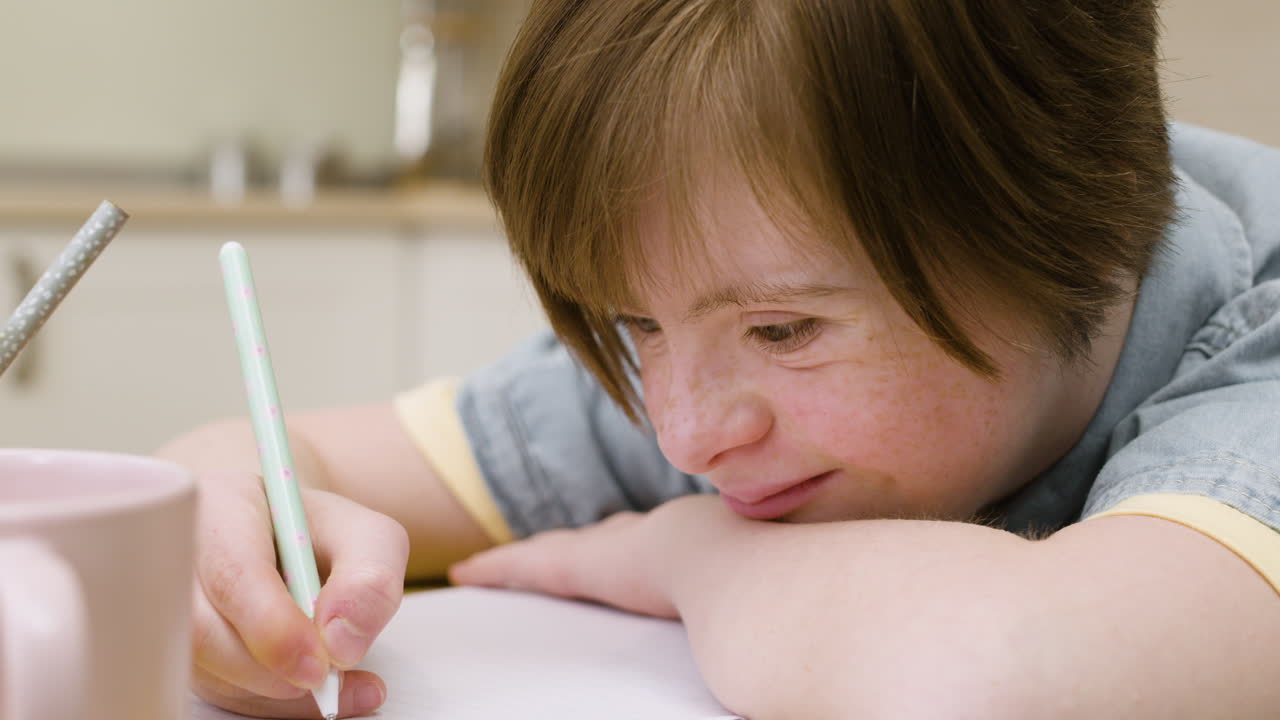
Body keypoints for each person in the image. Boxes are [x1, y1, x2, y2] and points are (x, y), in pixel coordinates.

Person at [161, 1, 1280, 717]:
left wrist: (683, 553)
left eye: (784, 332)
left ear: (1071, 226)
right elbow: (280, 460)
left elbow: (999, 682)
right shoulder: (727, 358)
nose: (684, 434)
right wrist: (226, 540)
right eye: (634, 324)